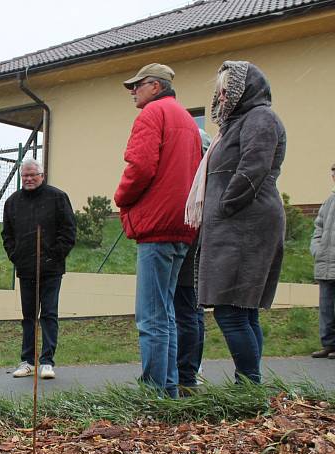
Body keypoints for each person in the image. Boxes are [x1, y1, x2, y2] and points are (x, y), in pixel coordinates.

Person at [187, 61, 286, 384]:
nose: (221, 96)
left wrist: (225, 205)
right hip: (237, 223)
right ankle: (251, 386)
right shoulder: (235, 124)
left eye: (228, 89)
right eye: (219, 91)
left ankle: (248, 384)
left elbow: (252, 168)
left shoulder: (260, 118)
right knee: (243, 310)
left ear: (246, 88)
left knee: (231, 309)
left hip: (246, 224)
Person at [115, 63, 201, 398]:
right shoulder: (188, 121)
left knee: (151, 317)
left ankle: (154, 393)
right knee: (166, 314)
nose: (132, 92)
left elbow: (140, 167)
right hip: (182, 227)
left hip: (157, 228)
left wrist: (121, 197)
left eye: (136, 86)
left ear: (154, 85)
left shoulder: (152, 115)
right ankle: (170, 389)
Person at [2, 159, 76, 380]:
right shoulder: (13, 202)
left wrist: (54, 255)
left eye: (33, 175)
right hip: (25, 269)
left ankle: (47, 361)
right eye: (25, 176)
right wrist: (16, 256)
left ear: (42, 175)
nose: (29, 179)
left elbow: (69, 231)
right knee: (28, 316)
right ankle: (28, 361)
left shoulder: (57, 198)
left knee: (49, 314)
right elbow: (7, 235)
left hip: (52, 269)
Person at [174, 129, 213, 394]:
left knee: (186, 313)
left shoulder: (197, 178)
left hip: (190, 251)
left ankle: (186, 373)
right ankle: (192, 369)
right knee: (193, 313)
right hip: (201, 252)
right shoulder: (209, 176)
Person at [308, 162, 335, 359]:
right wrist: (316, 249)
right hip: (325, 262)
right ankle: (329, 344)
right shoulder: (329, 202)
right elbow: (318, 228)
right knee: (326, 307)